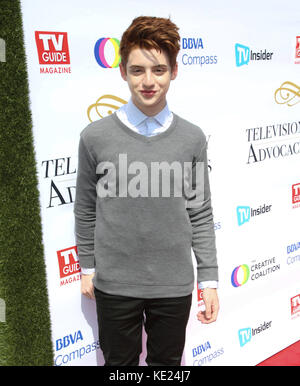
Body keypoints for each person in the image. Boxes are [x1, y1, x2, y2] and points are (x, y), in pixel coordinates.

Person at [74, 16, 219, 366]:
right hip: (114, 284)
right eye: (137, 70)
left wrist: (209, 278)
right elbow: (86, 207)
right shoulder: (94, 137)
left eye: (159, 70)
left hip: (173, 285)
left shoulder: (192, 138)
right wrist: (87, 267)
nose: (148, 81)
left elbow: (199, 211)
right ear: (122, 72)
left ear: (174, 71)